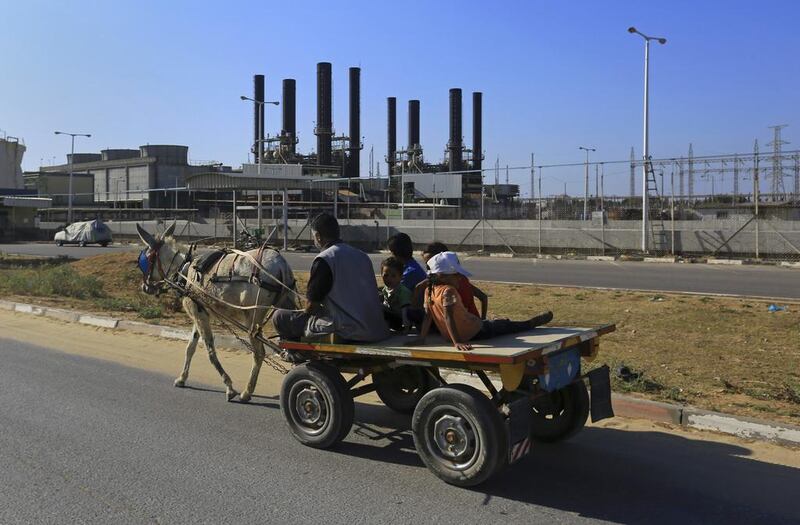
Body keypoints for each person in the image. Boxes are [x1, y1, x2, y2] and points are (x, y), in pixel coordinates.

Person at [272, 213, 390, 342]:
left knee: (280, 316)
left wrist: (304, 312)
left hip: (347, 330)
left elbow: (312, 306)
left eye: (314, 236)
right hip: (376, 329)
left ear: (318, 236)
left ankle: (297, 354)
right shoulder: (362, 256)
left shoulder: (325, 259)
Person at [416, 251, 552, 351]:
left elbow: (428, 317)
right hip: (476, 331)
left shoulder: (429, 290)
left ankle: (504, 321)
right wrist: (457, 342)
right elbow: (448, 317)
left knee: (499, 324)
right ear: (442, 276)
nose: (460, 278)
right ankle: (531, 323)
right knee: (508, 327)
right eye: (457, 275)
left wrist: (422, 338)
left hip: (466, 330)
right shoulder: (448, 291)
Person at [414, 241, 488, 319]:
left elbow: (483, 297)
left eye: (432, 264)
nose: (429, 268)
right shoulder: (435, 283)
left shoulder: (454, 284)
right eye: (427, 264)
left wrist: (482, 320)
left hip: (468, 326)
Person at [379, 256, 412, 331]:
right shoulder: (385, 289)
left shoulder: (402, 291)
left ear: (400, 277)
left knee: (379, 307)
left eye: (393, 276)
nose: (389, 279)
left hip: (402, 320)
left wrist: (406, 326)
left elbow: (405, 310)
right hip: (392, 317)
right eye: (386, 275)